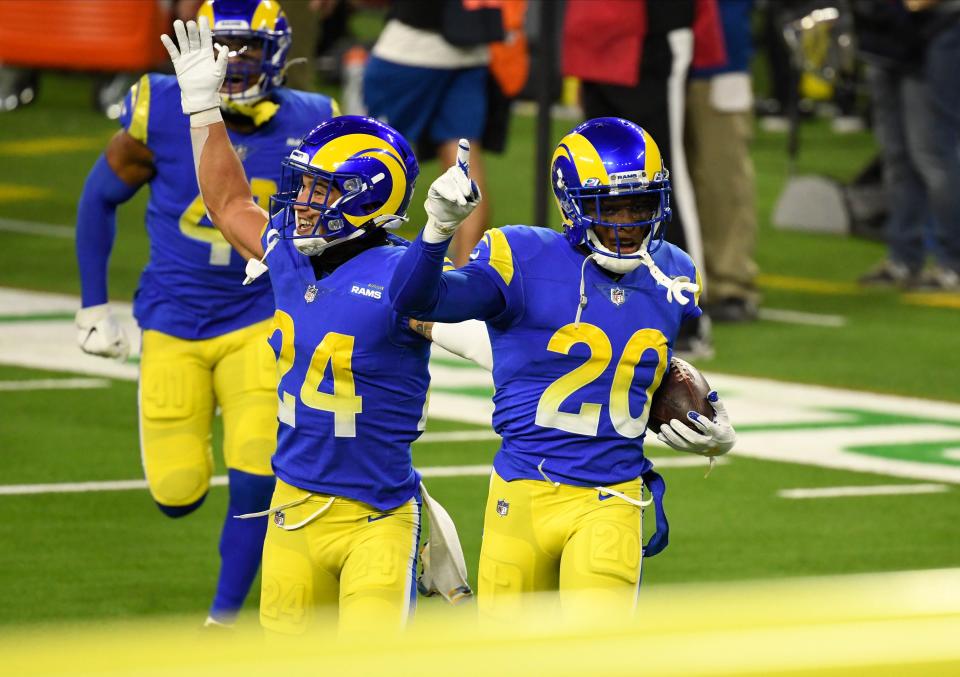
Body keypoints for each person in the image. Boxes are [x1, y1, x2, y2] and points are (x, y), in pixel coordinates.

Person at [161, 16, 471, 634]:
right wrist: (202, 110)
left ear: (367, 199)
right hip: (292, 509)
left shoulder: (402, 278)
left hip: (375, 520)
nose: (298, 201)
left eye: (317, 191)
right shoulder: (286, 254)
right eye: (301, 187)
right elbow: (229, 204)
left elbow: (494, 336)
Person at [390, 117, 736, 618]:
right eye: (610, 207)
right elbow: (414, 299)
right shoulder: (522, 256)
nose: (627, 224)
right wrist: (439, 230)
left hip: (611, 496)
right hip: (522, 491)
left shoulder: (674, 272)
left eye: (640, 205)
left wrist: (715, 430)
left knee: (592, 657)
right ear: (572, 203)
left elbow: (636, 364)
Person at [74, 0, 338, 627]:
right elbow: (98, 197)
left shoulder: (313, 121)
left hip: (258, 321)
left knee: (256, 473)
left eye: (248, 46)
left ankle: (220, 624)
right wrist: (91, 304)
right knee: (176, 493)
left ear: (276, 51)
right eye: (224, 45)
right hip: (171, 318)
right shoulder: (159, 106)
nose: (235, 59)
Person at [561, 0, 726, 357]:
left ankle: (687, 314)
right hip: (595, 30)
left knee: (663, 179)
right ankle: (606, 309)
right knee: (594, 186)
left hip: (651, 31)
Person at [363, 0, 504, 266]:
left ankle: (354, 275)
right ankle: (469, 280)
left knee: (364, 155)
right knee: (463, 161)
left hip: (410, 47)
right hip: (470, 46)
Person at [855, 0, 960, 290]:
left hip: (939, 24)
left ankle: (953, 262)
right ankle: (903, 257)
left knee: (934, 152)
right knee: (896, 154)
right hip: (885, 31)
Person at [686, 0, 760, 322]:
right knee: (672, 177)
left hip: (723, 59)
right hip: (661, 59)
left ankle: (731, 282)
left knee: (724, 176)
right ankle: (685, 275)